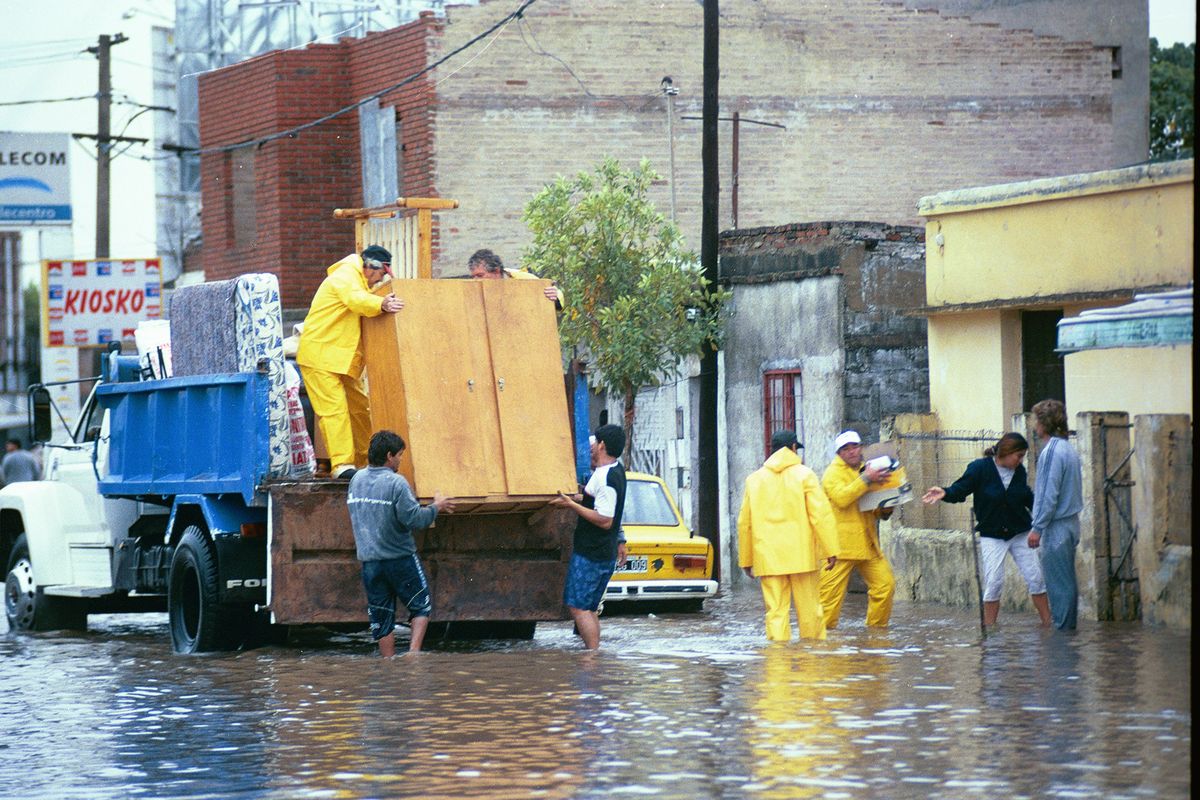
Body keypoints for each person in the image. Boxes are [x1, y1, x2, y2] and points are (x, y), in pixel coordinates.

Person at [921, 432, 1051, 627]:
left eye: (1022, 457)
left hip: (1020, 532)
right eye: (1019, 456)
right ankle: (989, 630)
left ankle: (1048, 625)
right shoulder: (979, 468)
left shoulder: (1019, 471)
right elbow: (961, 489)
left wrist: (1043, 517)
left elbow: (1026, 497)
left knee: (1036, 578)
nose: (1020, 460)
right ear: (1006, 452)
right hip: (992, 534)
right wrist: (945, 492)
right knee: (994, 581)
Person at [297, 245, 404, 480]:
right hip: (320, 357)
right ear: (371, 267)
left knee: (359, 409)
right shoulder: (346, 275)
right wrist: (381, 304)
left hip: (339, 359)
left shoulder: (356, 280)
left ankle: (366, 461)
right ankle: (342, 465)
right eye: (382, 274)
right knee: (334, 411)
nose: (380, 280)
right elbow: (355, 300)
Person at [348, 429, 454, 656]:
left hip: (370, 563)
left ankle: (388, 663)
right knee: (421, 605)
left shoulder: (356, 480)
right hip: (400, 559)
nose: (400, 460)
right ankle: (413, 656)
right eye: (399, 455)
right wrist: (437, 507)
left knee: (381, 615)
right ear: (389, 456)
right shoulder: (396, 483)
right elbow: (414, 519)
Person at [737, 429, 840, 641]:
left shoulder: (754, 480)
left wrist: (746, 559)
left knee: (775, 612)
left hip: (768, 558)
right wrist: (831, 550)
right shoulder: (805, 475)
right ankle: (812, 655)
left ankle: (778, 658)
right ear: (793, 448)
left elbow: (745, 523)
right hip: (802, 555)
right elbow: (820, 515)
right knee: (810, 610)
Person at [550, 424, 628, 650]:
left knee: (579, 607)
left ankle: (592, 655)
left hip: (592, 553)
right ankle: (593, 656)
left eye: (594, 443)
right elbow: (595, 499)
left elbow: (605, 519)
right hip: (601, 552)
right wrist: (575, 498)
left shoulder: (606, 478)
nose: (591, 447)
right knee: (589, 608)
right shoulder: (613, 469)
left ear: (602, 445)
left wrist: (571, 505)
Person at [818, 430, 897, 629]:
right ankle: (821, 641)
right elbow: (842, 498)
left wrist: (888, 504)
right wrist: (866, 479)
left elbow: (875, 509)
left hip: (868, 544)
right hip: (839, 548)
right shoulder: (832, 474)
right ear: (839, 453)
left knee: (885, 586)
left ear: (861, 448)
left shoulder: (868, 469)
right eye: (846, 449)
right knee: (828, 602)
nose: (852, 451)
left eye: (855, 447)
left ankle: (876, 634)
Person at [1027, 399, 1084, 630]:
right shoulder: (1068, 449)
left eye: (1036, 420)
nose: (1034, 426)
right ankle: (1067, 633)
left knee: (1059, 585)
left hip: (1056, 526)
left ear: (1044, 423)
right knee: (1066, 581)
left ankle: (1063, 636)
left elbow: (1047, 495)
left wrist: (1037, 527)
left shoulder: (1051, 452)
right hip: (1070, 523)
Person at [466, 248, 562, 305]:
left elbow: (557, 300)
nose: (475, 280)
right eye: (473, 276)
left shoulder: (524, 279)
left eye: (480, 275)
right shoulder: (471, 288)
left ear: (496, 271)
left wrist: (555, 296)